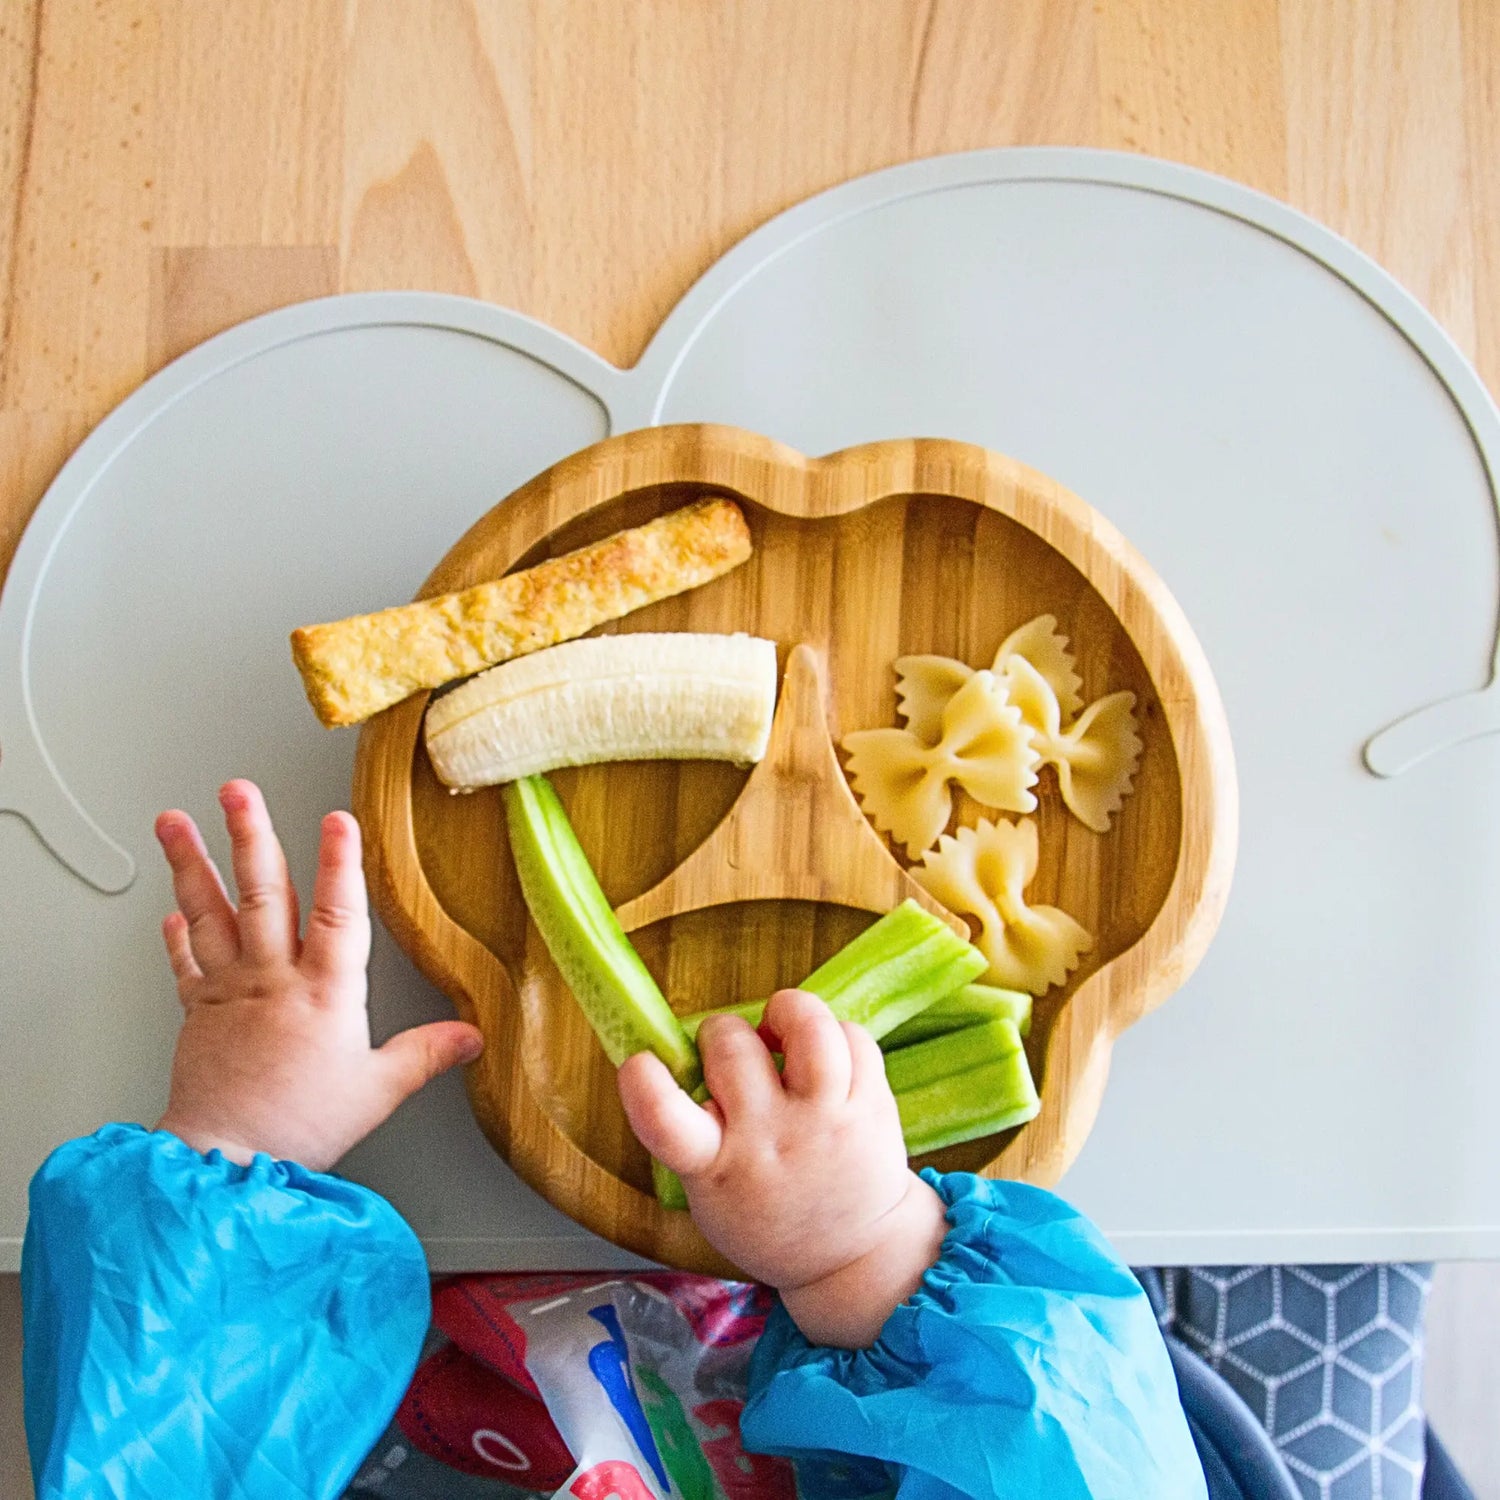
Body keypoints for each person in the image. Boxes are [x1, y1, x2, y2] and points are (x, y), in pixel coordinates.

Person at [21, 781, 1208, 1499]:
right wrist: (866, 1250)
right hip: (892, 1367)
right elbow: (1070, 1458)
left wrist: (234, 1141)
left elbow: (155, 1454)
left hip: (352, 1356)